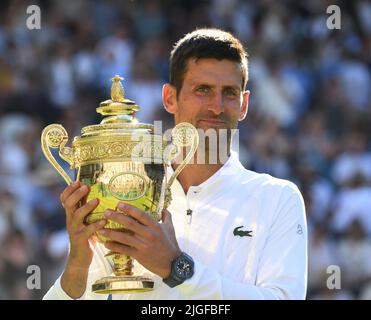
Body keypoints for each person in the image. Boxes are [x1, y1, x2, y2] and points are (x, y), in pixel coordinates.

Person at [43, 28, 307, 300]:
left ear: (244, 104)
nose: (216, 107)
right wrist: (77, 261)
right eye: (202, 90)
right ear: (170, 98)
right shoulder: (126, 194)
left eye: (229, 93)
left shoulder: (277, 198)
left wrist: (176, 268)